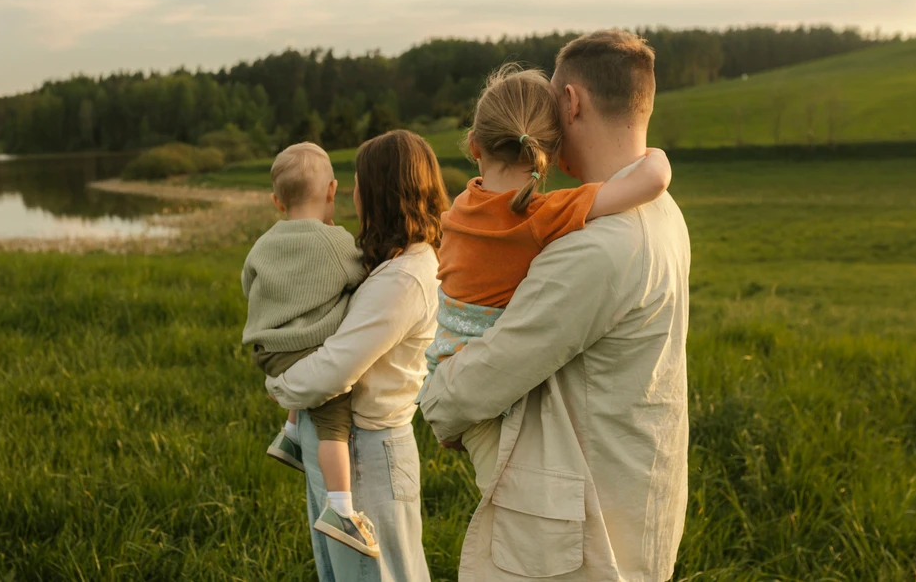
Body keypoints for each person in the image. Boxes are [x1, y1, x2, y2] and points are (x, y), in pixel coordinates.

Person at [420, 30, 692, 581]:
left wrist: (435, 400)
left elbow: (486, 376)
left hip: (582, 537)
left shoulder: (594, 248)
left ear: (571, 102)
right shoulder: (664, 212)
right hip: (630, 500)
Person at [267, 130, 445, 582]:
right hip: (339, 442)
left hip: (368, 449)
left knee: (380, 575)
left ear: (382, 191)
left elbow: (333, 370)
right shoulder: (386, 262)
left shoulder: (405, 278)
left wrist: (276, 381)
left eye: (359, 182)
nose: (351, 193)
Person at [240, 142, 380, 556]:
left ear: (276, 201)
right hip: (306, 351)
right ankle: (340, 509)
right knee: (333, 422)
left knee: (302, 346)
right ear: (332, 191)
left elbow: (249, 285)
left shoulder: (262, 244)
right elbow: (362, 274)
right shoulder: (334, 242)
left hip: (268, 349)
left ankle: (288, 435)